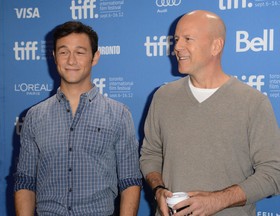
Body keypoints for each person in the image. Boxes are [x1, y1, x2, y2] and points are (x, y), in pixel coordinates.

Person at [140, 10, 280, 216]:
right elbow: (150, 154)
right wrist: (158, 189)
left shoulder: (253, 102)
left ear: (216, 46)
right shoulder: (163, 97)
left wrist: (217, 200)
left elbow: (273, 173)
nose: (177, 47)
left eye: (188, 39)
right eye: (176, 39)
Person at [14, 21, 142, 216]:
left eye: (80, 52)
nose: (71, 60)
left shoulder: (119, 114)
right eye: (64, 52)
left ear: (95, 57)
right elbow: (25, 180)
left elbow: (130, 180)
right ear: (54, 56)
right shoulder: (34, 116)